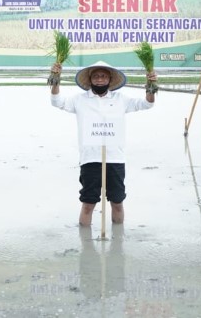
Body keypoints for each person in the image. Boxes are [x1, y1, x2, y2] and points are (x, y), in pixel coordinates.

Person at [49, 61, 157, 226]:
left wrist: (151, 83)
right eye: (96, 76)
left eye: (103, 76)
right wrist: (55, 78)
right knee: (88, 204)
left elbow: (147, 104)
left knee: (117, 202)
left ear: (110, 79)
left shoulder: (121, 99)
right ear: (90, 79)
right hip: (90, 159)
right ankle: (86, 247)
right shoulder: (79, 100)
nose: (100, 79)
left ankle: (118, 245)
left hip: (115, 159)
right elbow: (57, 102)